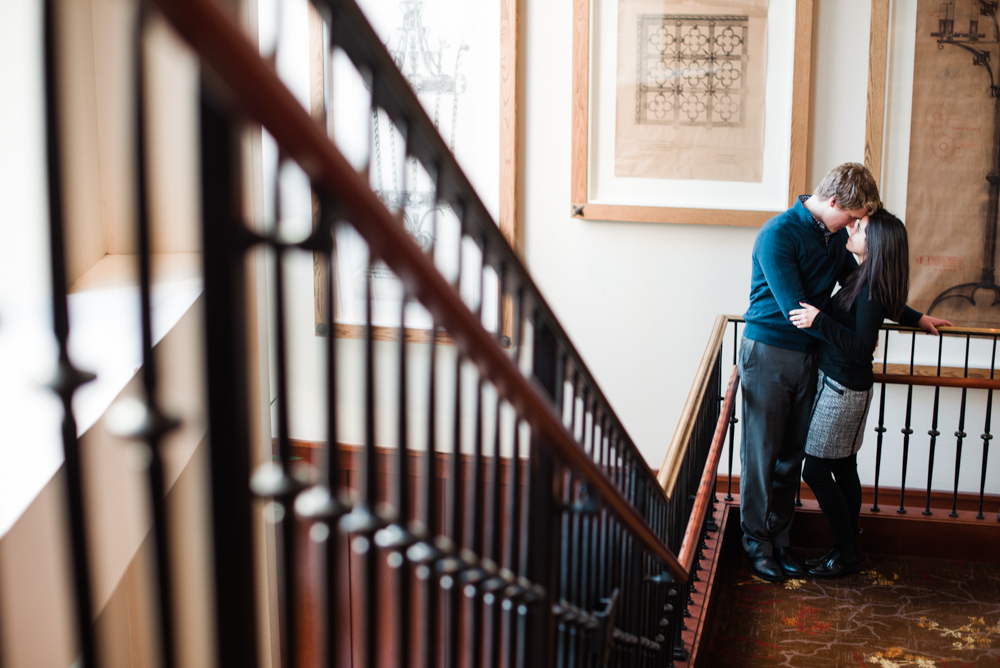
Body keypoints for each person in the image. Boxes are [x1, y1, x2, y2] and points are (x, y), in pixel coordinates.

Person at [739, 163, 950, 582]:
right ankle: (756, 545)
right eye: (852, 217)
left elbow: (864, 285)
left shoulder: (833, 237)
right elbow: (796, 310)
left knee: (790, 458)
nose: (854, 226)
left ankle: (781, 542)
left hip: (811, 357)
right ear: (834, 202)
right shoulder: (778, 233)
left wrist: (913, 317)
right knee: (761, 456)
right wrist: (845, 333)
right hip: (769, 352)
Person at [788, 210, 913, 578]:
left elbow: (861, 347)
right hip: (843, 386)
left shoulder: (871, 287)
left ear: (876, 244)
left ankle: (847, 552)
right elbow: (891, 309)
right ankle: (847, 550)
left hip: (844, 389)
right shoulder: (866, 276)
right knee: (843, 467)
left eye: (861, 228)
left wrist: (819, 320)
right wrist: (918, 318)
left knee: (815, 470)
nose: (853, 228)